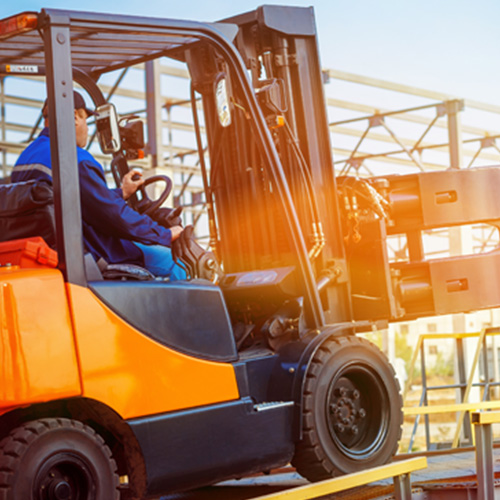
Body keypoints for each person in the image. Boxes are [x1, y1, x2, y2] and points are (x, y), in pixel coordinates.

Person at [11, 90, 186, 280]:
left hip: (50, 253)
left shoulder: (25, 159)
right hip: (91, 254)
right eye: (87, 120)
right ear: (74, 117)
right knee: (173, 261)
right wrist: (163, 234)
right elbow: (114, 216)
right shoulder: (75, 159)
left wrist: (121, 193)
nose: (87, 128)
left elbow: (75, 200)